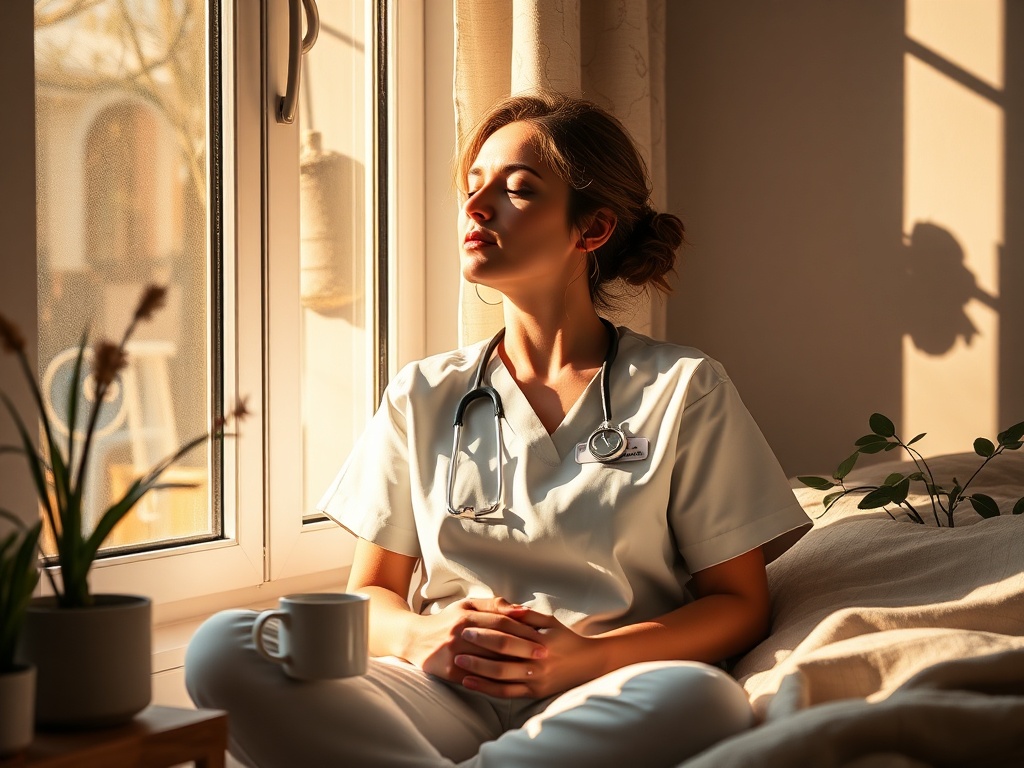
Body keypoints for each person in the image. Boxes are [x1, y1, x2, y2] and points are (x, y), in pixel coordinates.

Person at [186, 92, 811, 767]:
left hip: (600, 682)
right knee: (224, 645)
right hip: (438, 686)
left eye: (517, 189)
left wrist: (584, 656)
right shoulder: (424, 393)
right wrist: (423, 637)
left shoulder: (684, 388)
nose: (477, 207)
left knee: (703, 700)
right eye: (474, 185)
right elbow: (370, 593)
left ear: (592, 229)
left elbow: (739, 604)